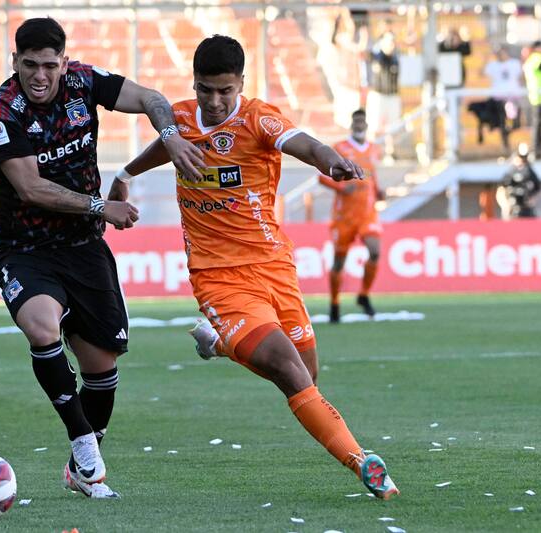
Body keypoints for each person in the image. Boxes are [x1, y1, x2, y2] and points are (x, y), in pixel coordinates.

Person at [110, 35, 399, 499]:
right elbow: (168, 148)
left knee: (308, 376)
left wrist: (330, 160)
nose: (216, 100)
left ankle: (221, 342)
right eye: (207, 90)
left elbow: (300, 142)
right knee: (288, 370)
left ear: (241, 83)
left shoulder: (258, 118)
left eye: (226, 90)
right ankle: (362, 462)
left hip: (273, 266)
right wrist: (125, 175)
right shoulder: (179, 119)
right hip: (218, 277)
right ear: (195, 84)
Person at [0, 17, 203, 499]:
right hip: (27, 250)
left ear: (64, 61)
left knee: (101, 371)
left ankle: (81, 464)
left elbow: (151, 99)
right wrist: (104, 206)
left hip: (84, 249)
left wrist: (171, 137)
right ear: (14, 61)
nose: (40, 76)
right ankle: (83, 442)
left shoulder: (84, 80)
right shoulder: (2, 110)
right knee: (41, 325)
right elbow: (30, 187)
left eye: (49, 65)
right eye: (29, 64)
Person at [317, 109, 383, 323]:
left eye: (362, 121)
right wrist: (342, 188)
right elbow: (322, 177)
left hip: (367, 214)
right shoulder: (340, 148)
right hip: (344, 216)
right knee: (339, 262)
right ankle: (335, 303)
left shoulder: (374, 149)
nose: (359, 125)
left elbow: (372, 175)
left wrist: (379, 190)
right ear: (351, 124)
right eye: (356, 121)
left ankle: (363, 295)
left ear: (366, 124)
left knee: (375, 251)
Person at [366, 31, 400, 162]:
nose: (392, 44)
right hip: (378, 95)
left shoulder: (396, 57)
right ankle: (371, 152)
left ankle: (390, 152)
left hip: (393, 95)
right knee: (374, 126)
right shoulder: (378, 56)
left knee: (392, 127)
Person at [498, 143, 541, 219]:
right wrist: (505, 205)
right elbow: (500, 190)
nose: (522, 160)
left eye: (524, 158)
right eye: (521, 157)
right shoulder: (510, 172)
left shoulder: (529, 172)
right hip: (512, 209)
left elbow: (539, 189)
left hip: (527, 209)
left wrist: (532, 200)